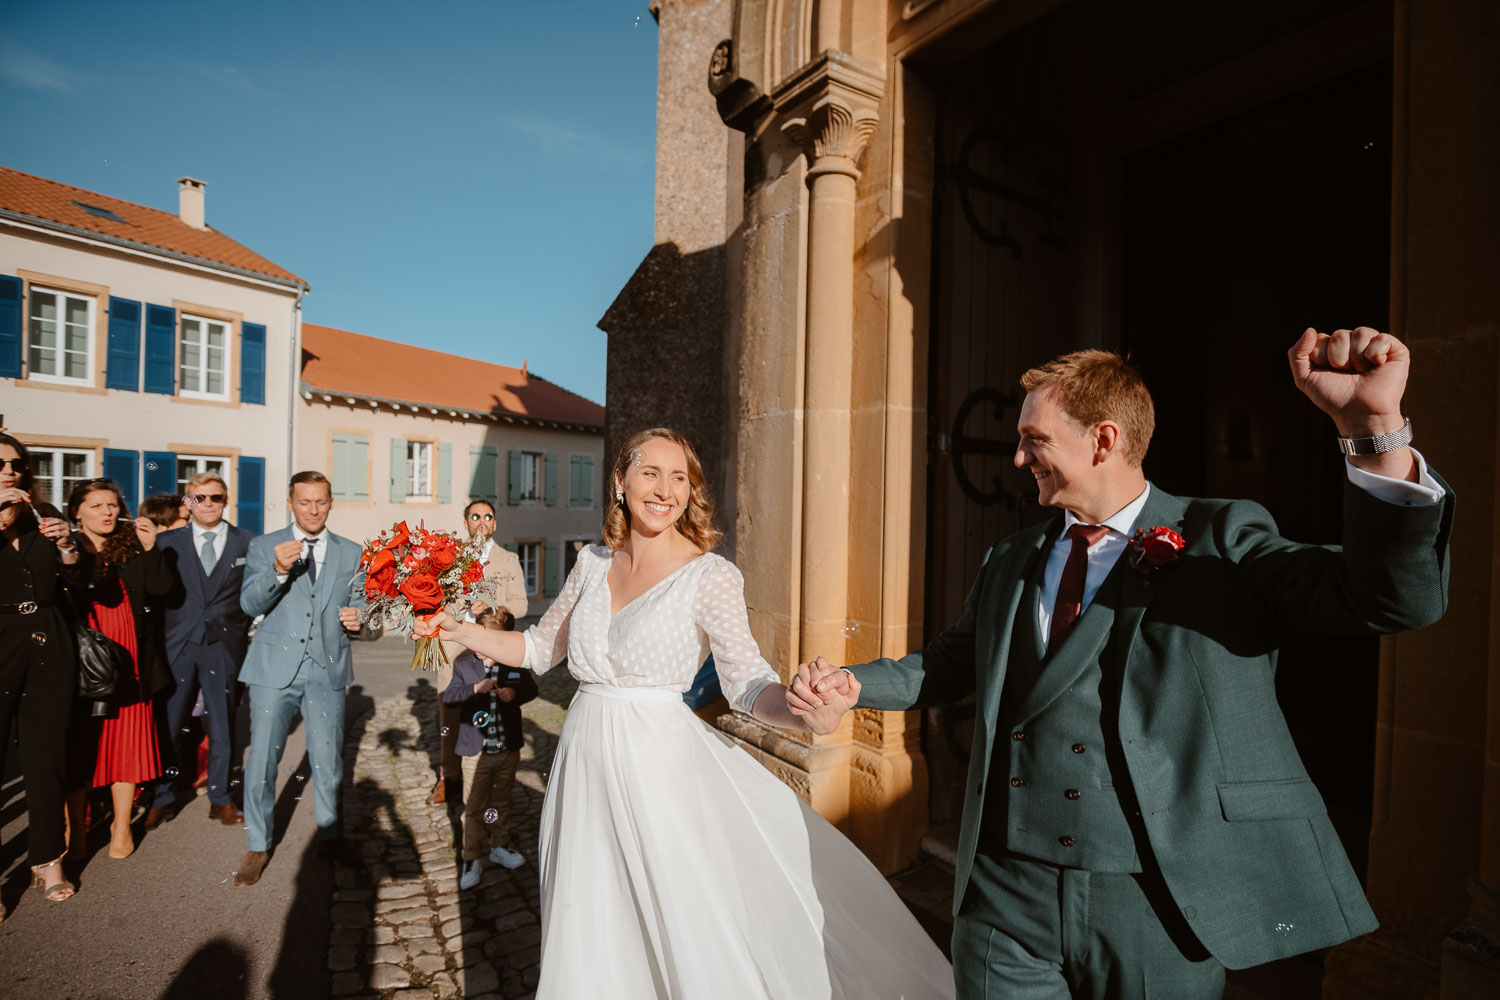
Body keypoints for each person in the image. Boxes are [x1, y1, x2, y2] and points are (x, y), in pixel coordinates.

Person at [792, 328, 1454, 1000]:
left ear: (1103, 440)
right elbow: (954, 662)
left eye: (1035, 439)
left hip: (1157, 902)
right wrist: (855, 684)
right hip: (1004, 898)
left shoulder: (1219, 537)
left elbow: (1388, 601)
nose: (1019, 457)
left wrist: (1375, 433)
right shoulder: (1011, 559)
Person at [417, 428, 954, 999]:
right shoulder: (592, 563)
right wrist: (458, 628)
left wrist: (807, 718)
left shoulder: (710, 575)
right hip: (583, 765)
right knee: (591, 914)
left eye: (680, 478)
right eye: (651, 473)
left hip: (660, 775)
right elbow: (537, 649)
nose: (665, 489)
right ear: (620, 482)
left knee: (678, 923)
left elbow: (747, 683)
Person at [233, 471, 365, 887]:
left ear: (331, 502)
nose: (313, 510)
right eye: (304, 501)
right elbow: (249, 603)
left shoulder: (351, 551)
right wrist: (276, 569)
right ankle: (258, 844)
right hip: (274, 668)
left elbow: (362, 601)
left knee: (328, 761)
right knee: (263, 761)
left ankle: (330, 835)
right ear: (290, 502)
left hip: (327, 667)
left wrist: (360, 617)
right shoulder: (263, 545)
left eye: (321, 502)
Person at [63, 478, 172, 862]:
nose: (107, 512)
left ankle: (121, 825)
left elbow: (162, 589)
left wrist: (149, 547)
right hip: (83, 662)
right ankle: (74, 829)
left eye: (112, 505)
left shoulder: (132, 547)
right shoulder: (67, 547)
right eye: (96, 505)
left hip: (130, 660)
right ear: (77, 511)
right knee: (80, 749)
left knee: (127, 744)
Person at [147, 472, 255, 828]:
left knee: (223, 725)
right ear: (187, 502)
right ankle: (163, 794)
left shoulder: (248, 542)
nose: (208, 504)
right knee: (170, 722)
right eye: (199, 498)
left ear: (226, 501)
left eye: (216, 498)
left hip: (224, 646)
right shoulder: (166, 542)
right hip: (178, 644)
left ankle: (220, 797)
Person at [0, 433, 80, 909]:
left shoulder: (42, 518)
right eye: (0, 465)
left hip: (47, 637)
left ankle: (48, 860)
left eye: (16, 465)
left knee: (46, 754)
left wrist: (69, 546)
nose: (10, 472)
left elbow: (80, 581)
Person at [428, 498, 528, 805]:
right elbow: (434, 599)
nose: (481, 521)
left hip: (491, 646)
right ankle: (449, 778)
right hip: (454, 645)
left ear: (495, 523)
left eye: (487, 516)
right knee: (450, 712)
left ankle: (486, 772)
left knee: (489, 706)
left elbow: (522, 604)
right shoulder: (450, 558)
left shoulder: (508, 559)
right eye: (475, 516)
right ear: (466, 523)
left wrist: (493, 607)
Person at [443, 606, 535, 890]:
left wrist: (515, 693)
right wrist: (473, 689)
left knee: (501, 802)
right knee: (473, 806)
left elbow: (532, 689)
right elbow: (449, 697)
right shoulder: (464, 665)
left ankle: (499, 844)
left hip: (506, 748)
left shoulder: (513, 665)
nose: (481, 650)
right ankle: (471, 855)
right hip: (475, 751)